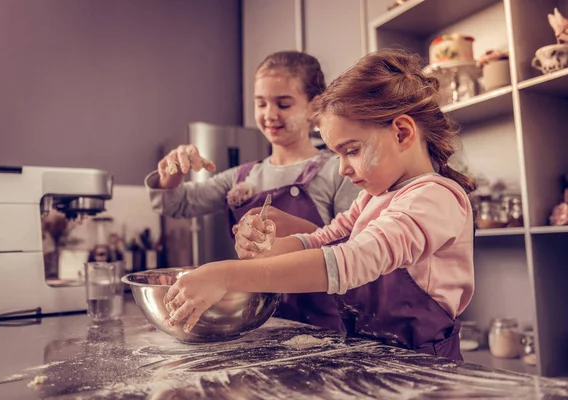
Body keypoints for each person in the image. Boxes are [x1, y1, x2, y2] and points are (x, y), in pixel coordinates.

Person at [162, 48, 476, 361]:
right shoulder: (373, 197)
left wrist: (226, 276)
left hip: (428, 364)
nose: (342, 168)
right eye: (337, 154)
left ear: (402, 133)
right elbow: (319, 240)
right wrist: (266, 245)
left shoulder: (435, 197)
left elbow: (351, 260)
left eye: (351, 151)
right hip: (376, 356)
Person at [145, 51, 361, 332]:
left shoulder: (339, 169)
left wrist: (295, 234)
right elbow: (177, 205)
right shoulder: (242, 176)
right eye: (261, 104)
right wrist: (171, 174)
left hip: (327, 329)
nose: (270, 115)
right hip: (260, 325)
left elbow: (357, 251)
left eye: (283, 104)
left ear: (314, 106)